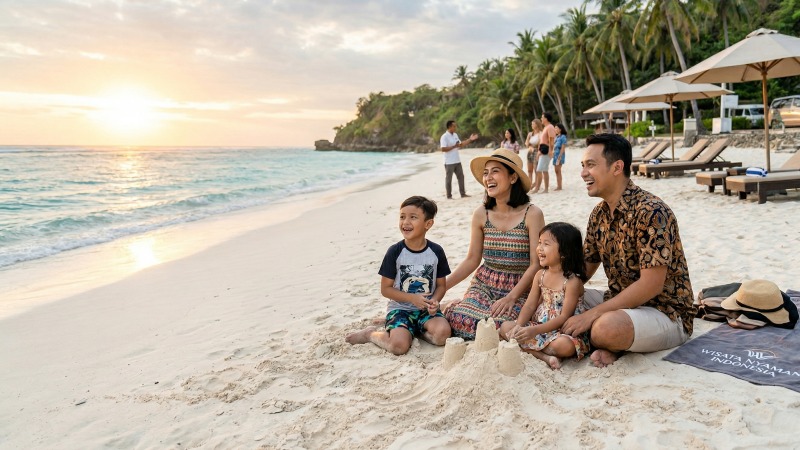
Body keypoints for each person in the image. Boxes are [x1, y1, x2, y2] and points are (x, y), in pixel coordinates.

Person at [561, 133, 696, 367]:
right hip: (620, 303)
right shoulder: (599, 214)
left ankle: (608, 341)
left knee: (604, 328)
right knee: (561, 298)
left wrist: (591, 315)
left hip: (665, 313)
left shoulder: (652, 212)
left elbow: (650, 285)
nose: (583, 173)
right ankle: (609, 342)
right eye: (583, 166)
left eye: (591, 165)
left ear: (617, 167)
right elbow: (584, 269)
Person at [443, 148, 545, 340]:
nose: (488, 177)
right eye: (485, 172)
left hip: (520, 286)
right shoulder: (481, 213)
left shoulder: (532, 214)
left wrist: (512, 296)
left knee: (501, 327)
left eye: (495, 171)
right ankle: (453, 306)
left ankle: (457, 306)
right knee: (460, 319)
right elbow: (472, 260)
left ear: (513, 178)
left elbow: (536, 264)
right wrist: (442, 286)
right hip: (484, 284)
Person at [346, 196, 452, 355]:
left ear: (428, 224)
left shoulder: (436, 251)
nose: (405, 222)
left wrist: (435, 301)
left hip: (426, 312)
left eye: (413, 217)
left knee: (443, 335)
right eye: (402, 217)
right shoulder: (395, 252)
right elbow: (386, 290)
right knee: (399, 347)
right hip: (400, 309)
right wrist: (412, 298)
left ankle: (413, 331)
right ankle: (370, 334)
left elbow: (441, 285)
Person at [500, 222, 589, 370]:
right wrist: (519, 326)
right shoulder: (540, 275)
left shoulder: (572, 282)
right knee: (506, 327)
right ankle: (544, 356)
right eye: (539, 243)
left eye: (546, 244)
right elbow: (529, 305)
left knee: (564, 346)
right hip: (539, 325)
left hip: (562, 331)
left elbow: (564, 317)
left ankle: (532, 349)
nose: (539, 248)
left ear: (564, 252)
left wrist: (534, 331)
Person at [440, 120, 478, 199]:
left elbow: (460, 144)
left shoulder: (455, 135)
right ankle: (449, 196)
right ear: (449, 127)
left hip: (457, 160)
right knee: (448, 179)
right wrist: (454, 146)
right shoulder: (444, 136)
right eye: (454, 126)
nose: (455, 127)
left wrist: (470, 139)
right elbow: (443, 149)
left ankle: (463, 194)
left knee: (461, 177)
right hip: (448, 162)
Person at [532, 113, 556, 194]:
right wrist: (539, 152)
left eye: (542, 117)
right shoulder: (546, 127)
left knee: (539, 170)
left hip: (546, 151)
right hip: (542, 150)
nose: (541, 119)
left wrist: (550, 151)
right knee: (544, 170)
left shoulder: (550, 127)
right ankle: (544, 189)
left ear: (546, 119)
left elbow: (551, 140)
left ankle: (538, 188)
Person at [525, 119, 542, 186]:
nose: (532, 125)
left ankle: (536, 184)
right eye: (531, 124)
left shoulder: (540, 133)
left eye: (533, 124)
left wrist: (532, 145)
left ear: (537, 124)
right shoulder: (530, 134)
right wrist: (529, 146)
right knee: (529, 170)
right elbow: (526, 143)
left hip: (536, 152)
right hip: (529, 152)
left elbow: (540, 143)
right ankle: (530, 184)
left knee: (536, 170)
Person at [552, 123, 568, 191]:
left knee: (558, 170)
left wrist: (560, 156)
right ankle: (558, 185)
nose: (555, 129)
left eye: (556, 128)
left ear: (560, 129)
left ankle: (559, 186)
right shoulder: (556, 137)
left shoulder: (563, 137)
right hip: (555, 155)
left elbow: (563, 147)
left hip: (559, 155)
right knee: (556, 171)